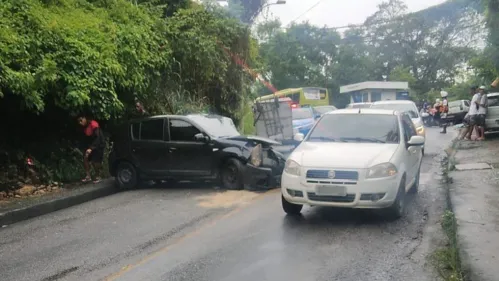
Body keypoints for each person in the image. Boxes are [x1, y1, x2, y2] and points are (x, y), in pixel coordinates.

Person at [78, 115, 106, 183]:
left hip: (99, 144)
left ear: (85, 118)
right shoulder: (83, 127)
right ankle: (88, 176)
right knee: (85, 158)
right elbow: (85, 138)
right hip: (90, 145)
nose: (80, 123)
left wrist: (91, 148)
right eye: (79, 121)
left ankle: (98, 176)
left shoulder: (93, 124)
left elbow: (98, 138)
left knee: (95, 161)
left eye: (81, 120)